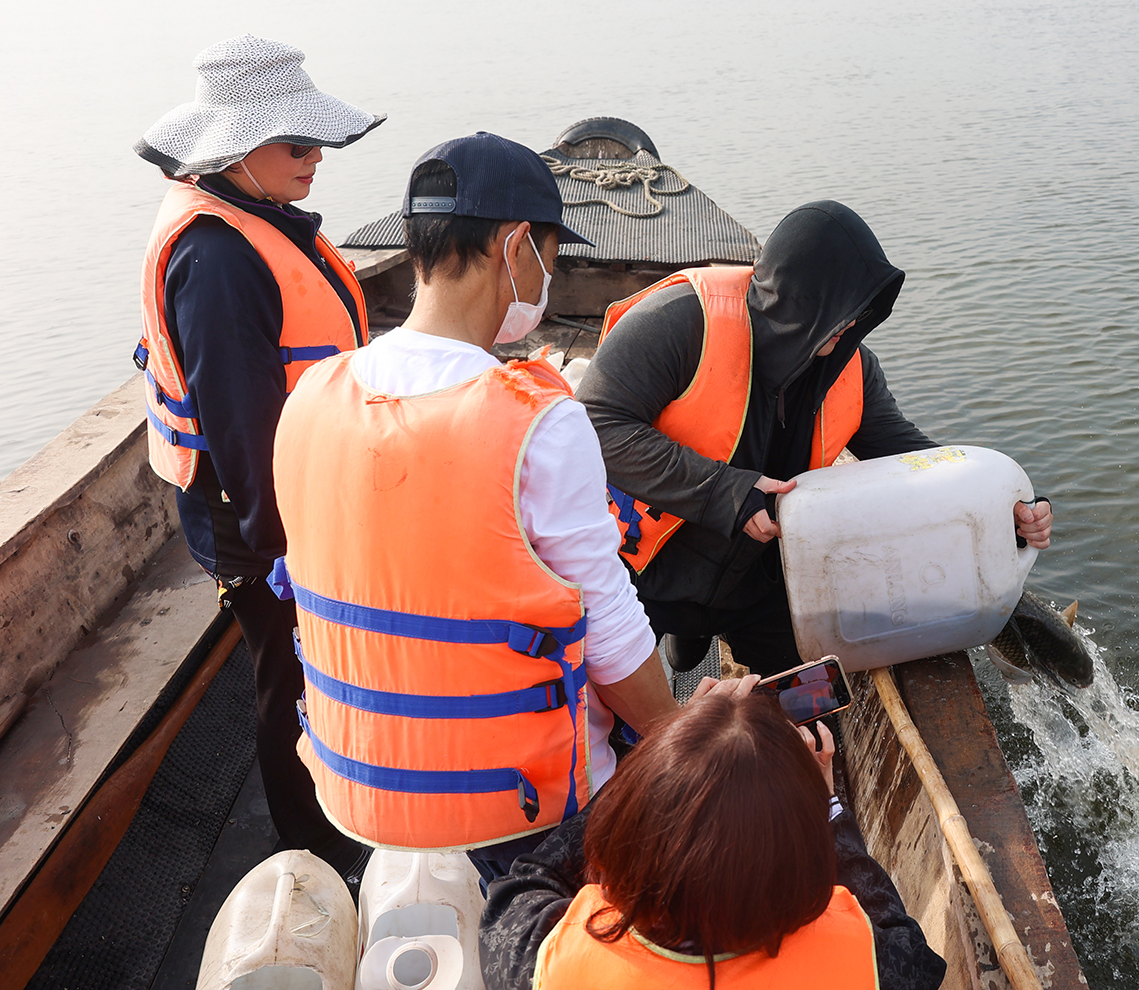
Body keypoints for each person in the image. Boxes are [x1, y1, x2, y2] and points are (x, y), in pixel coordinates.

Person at [271, 132, 686, 888]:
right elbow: (615, 639)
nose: (550, 276)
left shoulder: (310, 395)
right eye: (552, 255)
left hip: (360, 792)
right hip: (524, 817)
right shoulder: (537, 420)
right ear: (517, 245)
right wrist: (680, 740)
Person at [578, 200, 1054, 676]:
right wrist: (729, 493)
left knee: (810, 712)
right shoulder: (679, 321)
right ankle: (688, 629)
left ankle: (709, 626)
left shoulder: (853, 368)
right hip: (641, 569)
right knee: (613, 719)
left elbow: (909, 457)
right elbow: (596, 423)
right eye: (840, 309)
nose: (851, 325)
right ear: (799, 299)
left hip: (762, 583)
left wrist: (999, 507)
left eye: (861, 311)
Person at [133, 33, 384, 878]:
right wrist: (285, 548)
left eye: (319, 142)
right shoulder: (218, 260)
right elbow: (242, 428)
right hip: (257, 516)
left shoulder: (253, 219)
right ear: (237, 148)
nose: (317, 159)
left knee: (312, 662)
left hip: (295, 492)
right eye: (299, 143)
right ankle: (311, 846)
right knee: (289, 673)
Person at [479, 690, 947, 990]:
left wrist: (662, 761)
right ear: (804, 862)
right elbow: (906, 941)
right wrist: (828, 808)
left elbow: (525, 880)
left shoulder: (546, 960)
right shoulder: (873, 965)